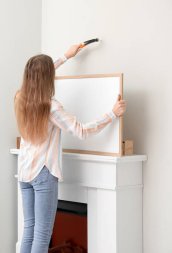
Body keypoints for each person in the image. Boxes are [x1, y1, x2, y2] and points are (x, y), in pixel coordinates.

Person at [14, 45, 126, 253]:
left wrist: (66, 56)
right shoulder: (51, 107)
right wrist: (112, 113)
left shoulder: (21, 97)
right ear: (48, 77)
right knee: (42, 234)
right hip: (43, 172)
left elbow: (39, 73)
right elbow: (81, 131)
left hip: (24, 172)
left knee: (29, 229)